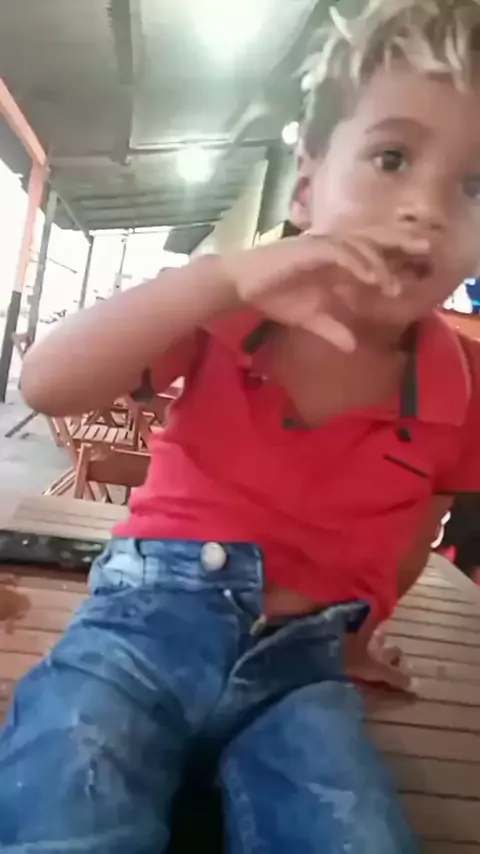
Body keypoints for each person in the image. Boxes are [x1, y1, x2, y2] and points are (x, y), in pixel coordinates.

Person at [3, 0, 480, 850]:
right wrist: (216, 280)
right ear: (306, 185)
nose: (427, 208)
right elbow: (47, 382)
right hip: (142, 625)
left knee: (355, 831)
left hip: (302, 672)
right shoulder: (229, 308)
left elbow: (415, 532)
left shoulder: (463, 388)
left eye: (475, 186)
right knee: (64, 786)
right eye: (392, 157)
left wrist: (361, 635)